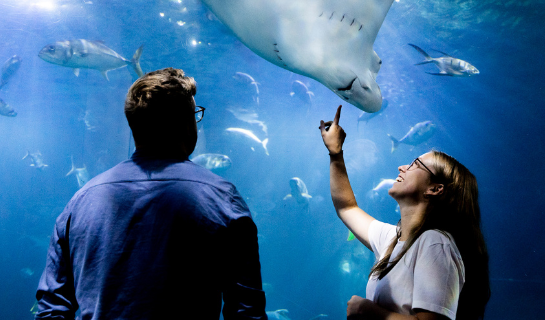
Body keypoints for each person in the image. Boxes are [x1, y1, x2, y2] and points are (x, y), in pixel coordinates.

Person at [35, 68, 267, 320]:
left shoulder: (80, 202)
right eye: (195, 114)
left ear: (135, 125)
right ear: (187, 122)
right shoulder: (223, 199)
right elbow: (247, 311)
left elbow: (52, 309)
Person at [319, 105, 490, 320]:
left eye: (415, 164)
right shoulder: (393, 240)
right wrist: (336, 154)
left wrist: (368, 311)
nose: (402, 167)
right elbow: (347, 208)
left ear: (435, 189)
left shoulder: (435, 242)